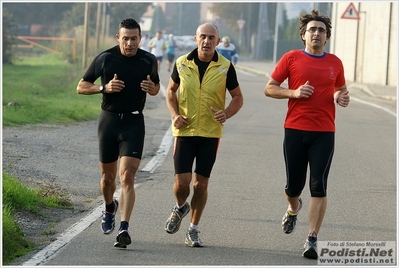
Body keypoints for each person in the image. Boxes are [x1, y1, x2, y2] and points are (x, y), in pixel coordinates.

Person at [264, 10, 350, 259]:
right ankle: (293, 208)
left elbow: (340, 89)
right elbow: (269, 89)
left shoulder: (335, 62)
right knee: (293, 187)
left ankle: (312, 238)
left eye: (321, 30)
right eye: (312, 30)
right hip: (295, 129)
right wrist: (294, 93)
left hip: (324, 131)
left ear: (327, 37)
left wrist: (340, 97)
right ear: (303, 35)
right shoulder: (291, 58)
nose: (316, 33)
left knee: (319, 185)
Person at [76, 18, 160, 248]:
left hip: (134, 122)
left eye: (134, 38)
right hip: (109, 122)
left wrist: (152, 89)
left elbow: (156, 87)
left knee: (128, 176)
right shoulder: (105, 58)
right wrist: (103, 88)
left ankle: (124, 227)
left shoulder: (149, 60)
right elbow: (81, 86)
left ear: (140, 38)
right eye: (126, 38)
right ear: (118, 38)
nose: (130, 43)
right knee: (107, 179)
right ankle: (109, 207)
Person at [164, 23, 243, 247]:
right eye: (203, 37)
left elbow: (238, 97)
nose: (207, 41)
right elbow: (170, 91)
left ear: (218, 41)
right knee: (182, 184)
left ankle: (193, 229)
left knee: (201, 185)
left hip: (210, 134)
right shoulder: (181, 63)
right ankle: (180, 207)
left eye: (211, 38)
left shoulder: (226, 66)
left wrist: (226, 113)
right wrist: (174, 114)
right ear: (195, 39)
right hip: (185, 130)